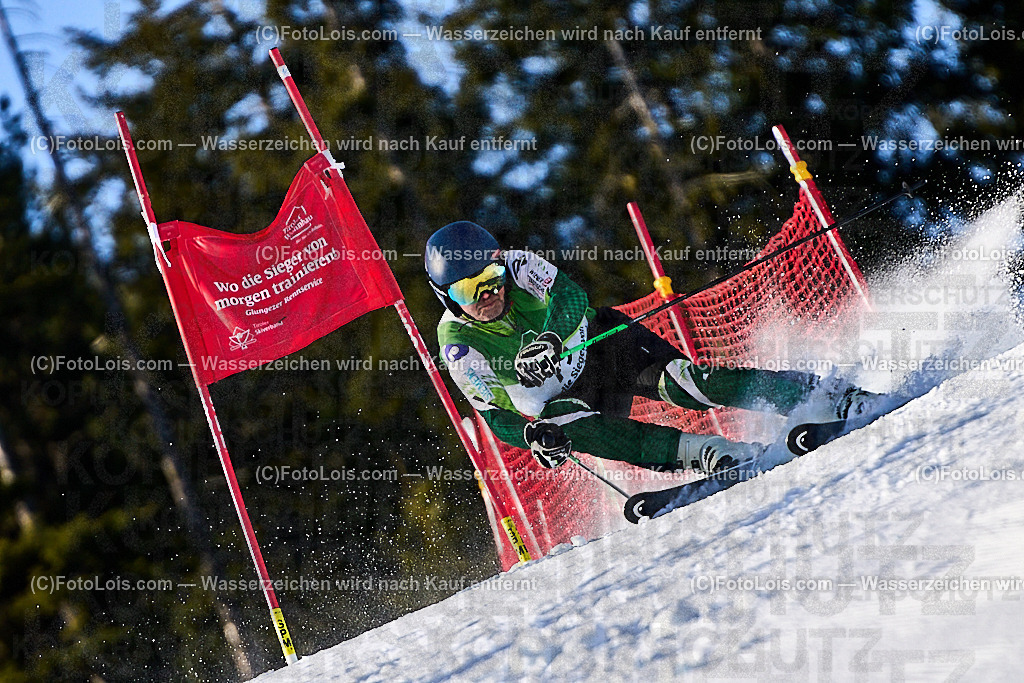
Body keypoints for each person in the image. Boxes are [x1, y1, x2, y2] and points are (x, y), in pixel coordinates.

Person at [426, 221, 879, 474]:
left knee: (688, 386)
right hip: (568, 398)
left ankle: (828, 397)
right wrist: (529, 436)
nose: (489, 295)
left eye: (491, 279)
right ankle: (705, 452)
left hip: (604, 345)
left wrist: (550, 337)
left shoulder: (518, 263)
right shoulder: (459, 344)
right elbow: (491, 415)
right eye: (470, 291)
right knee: (563, 423)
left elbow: (570, 297)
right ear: (446, 297)